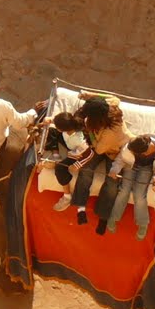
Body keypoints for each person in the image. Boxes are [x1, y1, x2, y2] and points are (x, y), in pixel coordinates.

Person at [53, 94, 127, 226]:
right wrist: (89, 96)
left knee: (112, 183)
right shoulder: (107, 106)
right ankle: (80, 207)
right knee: (86, 170)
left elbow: (98, 149)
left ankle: (103, 215)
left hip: (114, 151)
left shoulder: (112, 130)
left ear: (96, 118)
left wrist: (89, 131)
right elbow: (116, 98)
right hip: (98, 142)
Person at [105, 133, 155, 239]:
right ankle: (113, 218)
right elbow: (121, 158)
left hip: (146, 168)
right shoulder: (132, 145)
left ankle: (142, 224)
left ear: (146, 152)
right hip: (131, 166)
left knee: (139, 195)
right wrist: (114, 170)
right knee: (124, 191)